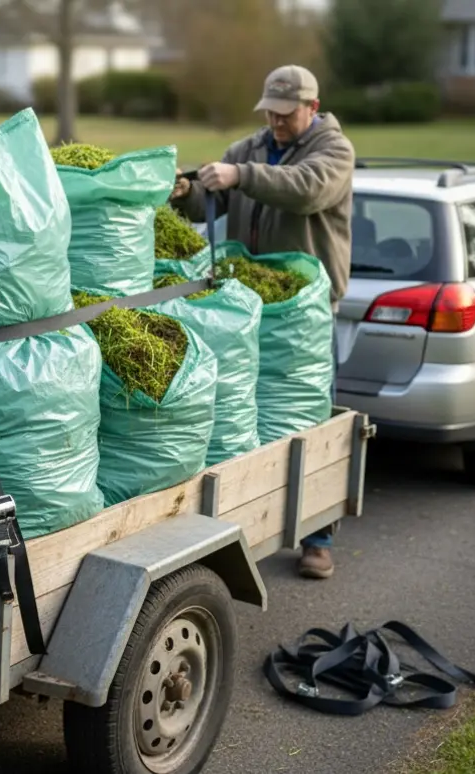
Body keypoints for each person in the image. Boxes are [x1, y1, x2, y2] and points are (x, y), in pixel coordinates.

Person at [169, 64, 354, 580]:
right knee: (256, 411)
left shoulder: (334, 151)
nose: (274, 119)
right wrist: (190, 192)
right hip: (252, 304)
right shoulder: (248, 147)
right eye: (269, 110)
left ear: (311, 108)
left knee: (307, 414)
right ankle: (257, 512)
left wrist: (240, 176)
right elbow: (217, 197)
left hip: (306, 310)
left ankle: (318, 538)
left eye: (284, 112)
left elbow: (307, 189)